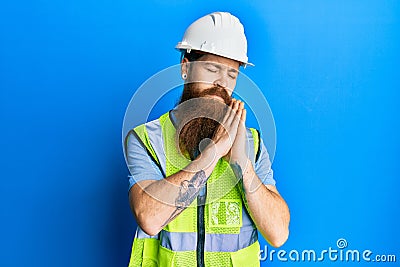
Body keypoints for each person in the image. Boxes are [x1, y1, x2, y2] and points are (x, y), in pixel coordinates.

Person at [125, 12, 290, 267]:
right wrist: (212, 153)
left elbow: (278, 234)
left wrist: (243, 165)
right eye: (212, 69)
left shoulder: (252, 144)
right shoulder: (147, 140)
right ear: (185, 67)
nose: (221, 83)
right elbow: (149, 217)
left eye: (232, 74)